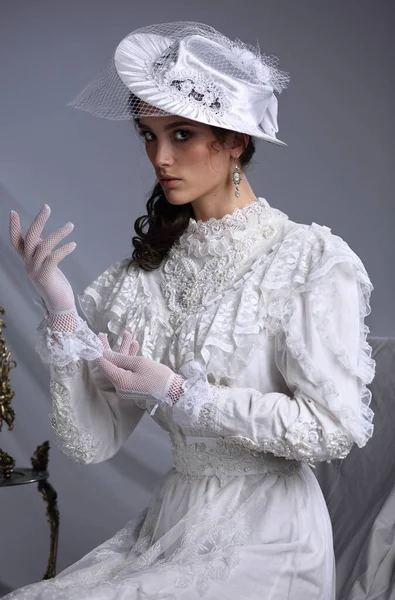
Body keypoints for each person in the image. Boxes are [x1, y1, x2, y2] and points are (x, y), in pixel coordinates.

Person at [6, 21, 375, 600]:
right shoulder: (141, 278)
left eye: (180, 134)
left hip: (271, 533)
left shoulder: (308, 260)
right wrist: (61, 310)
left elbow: (331, 429)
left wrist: (182, 394)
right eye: (148, 135)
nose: (159, 156)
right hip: (174, 520)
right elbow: (89, 441)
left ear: (235, 141)